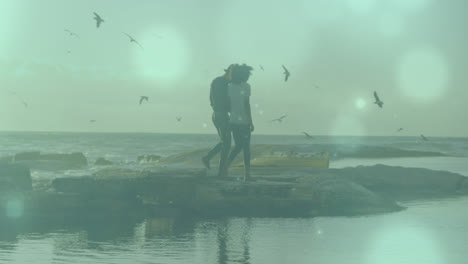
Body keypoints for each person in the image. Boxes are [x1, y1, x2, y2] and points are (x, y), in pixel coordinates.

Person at [224, 64, 254, 181]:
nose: (248, 77)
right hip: (244, 121)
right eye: (247, 75)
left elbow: (228, 104)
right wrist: (251, 122)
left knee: (238, 146)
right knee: (246, 148)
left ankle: (225, 167)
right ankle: (247, 175)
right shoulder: (246, 87)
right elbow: (247, 104)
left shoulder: (229, 86)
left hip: (233, 121)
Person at [201, 64, 233, 177]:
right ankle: (220, 171)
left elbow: (211, 99)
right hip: (221, 115)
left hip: (217, 114)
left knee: (225, 142)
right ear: (228, 73)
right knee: (227, 143)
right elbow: (225, 100)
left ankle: (209, 159)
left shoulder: (217, 81)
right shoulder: (223, 83)